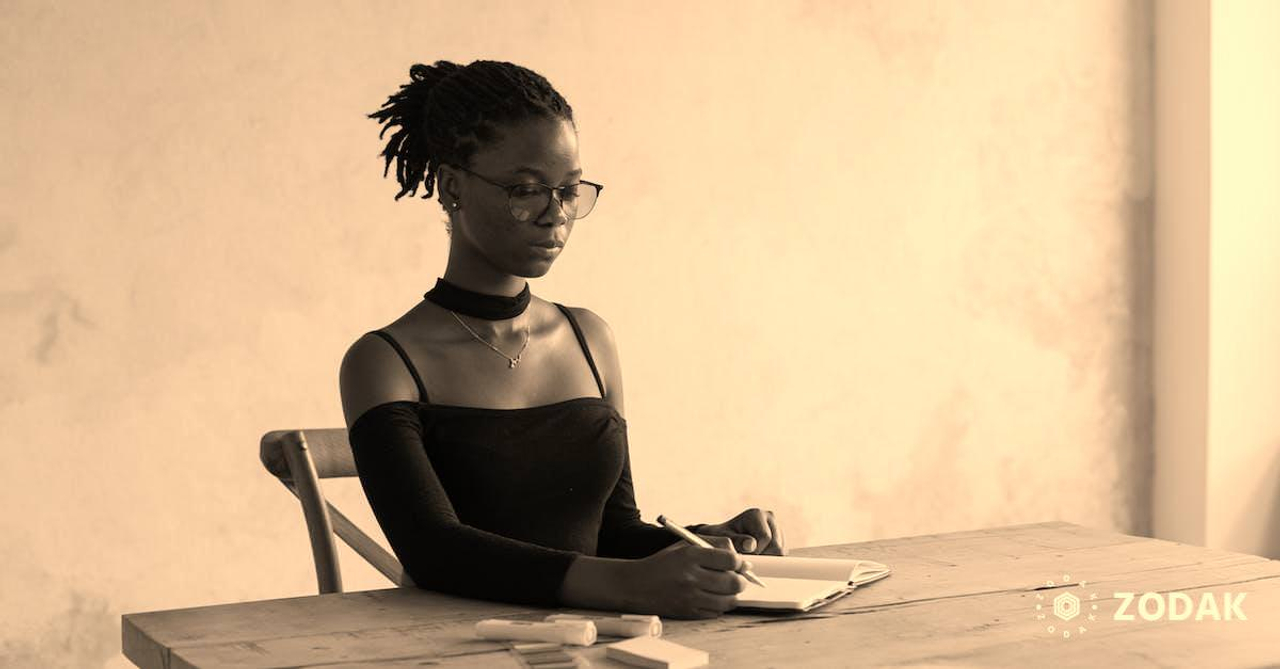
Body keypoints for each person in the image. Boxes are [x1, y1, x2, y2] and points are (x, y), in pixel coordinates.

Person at [341, 60, 787, 620]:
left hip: (589, 642)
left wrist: (703, 545)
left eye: (570, 190)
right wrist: (629, 587)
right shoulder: (385, 361)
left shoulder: (588, 338)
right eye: (526, 190)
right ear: (452, 186)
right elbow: (434, 549)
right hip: (456, 646)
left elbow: (611, 531)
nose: (555, 216)